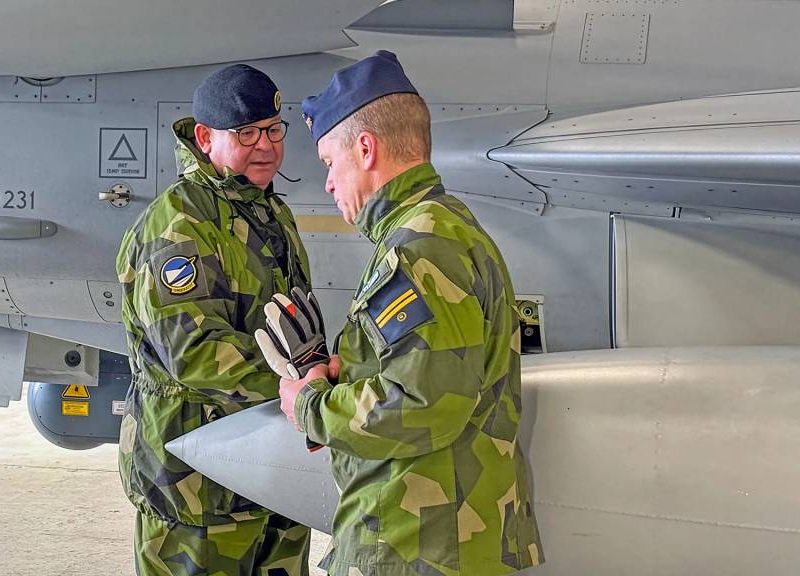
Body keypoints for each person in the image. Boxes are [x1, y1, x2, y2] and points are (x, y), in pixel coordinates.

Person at [277, 51, 544, 575]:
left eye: (329, 163)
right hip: (446, 540)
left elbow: (423, 403)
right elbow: (433, 373)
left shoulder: (419, 246)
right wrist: (351, 373)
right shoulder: (444, 225)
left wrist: (309, 404)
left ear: (366, 149)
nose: (328, 183)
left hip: (418, 546)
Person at [116, 64, 311, 575]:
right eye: (246, 133)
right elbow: (195, 352)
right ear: (205, 138)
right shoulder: (179, 224)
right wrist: (302, 385)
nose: (265, 145)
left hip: (272, 475)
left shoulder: (270, 212)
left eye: (273, 130)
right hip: (196, 490)